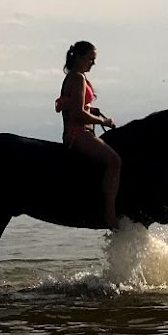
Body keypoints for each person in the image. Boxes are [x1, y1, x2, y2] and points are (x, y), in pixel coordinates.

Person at [55, 41, 121, 229]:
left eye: (94, 59)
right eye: (91, 59)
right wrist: (104, 122)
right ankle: (110, 215)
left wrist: (93, 110)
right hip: (78, 133)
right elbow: (77, 113)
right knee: (114, 162)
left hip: (81, 131)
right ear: (79, 57)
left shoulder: (77, 76)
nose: (93, 63)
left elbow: (79, 106)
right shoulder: (77, 78)